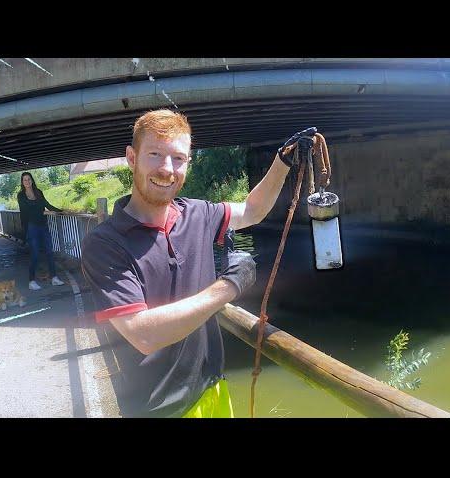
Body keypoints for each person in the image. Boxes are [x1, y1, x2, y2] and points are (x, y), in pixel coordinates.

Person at [81, 109, 316, 418]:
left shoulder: (199, 214)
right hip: (159, 410)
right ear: (131, 157)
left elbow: (251, 210)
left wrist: (282, 161)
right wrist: (229, 286)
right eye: (155, 154)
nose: (167, 169)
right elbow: (143, 335)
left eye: (178, 159)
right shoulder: (105, 243)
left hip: (212, 388)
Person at [17, 172, 65, 290]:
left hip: (43, 226)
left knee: (49, 251)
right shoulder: (21, 195)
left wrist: (60, 211)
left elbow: (47, 205)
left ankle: (54, 278)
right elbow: (27, 211)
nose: (27, 182)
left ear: (32, 180)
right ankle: (31, 281)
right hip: (32, 227)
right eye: (25, 180)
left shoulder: (39, 192)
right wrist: (42, 212)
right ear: (22, 182)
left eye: (29, 179)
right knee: (35, 254)